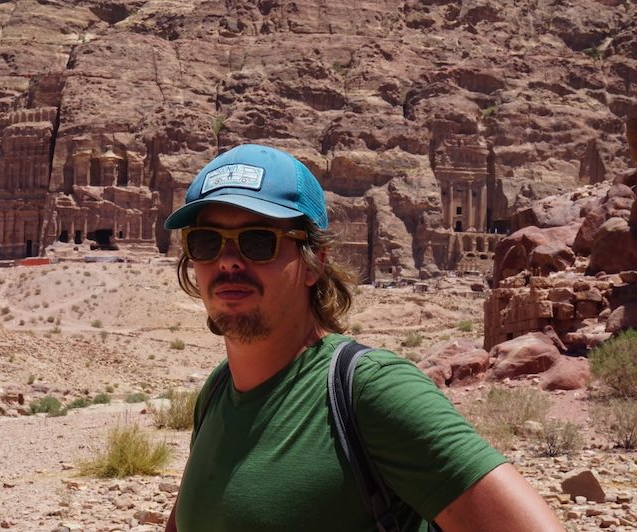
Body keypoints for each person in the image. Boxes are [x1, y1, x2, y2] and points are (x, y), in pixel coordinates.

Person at [162, 144, 564, 532]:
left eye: (257, 241)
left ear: (313, 264)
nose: (228, 261)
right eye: (206, 242)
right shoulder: (217, 392)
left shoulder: (373, 391)